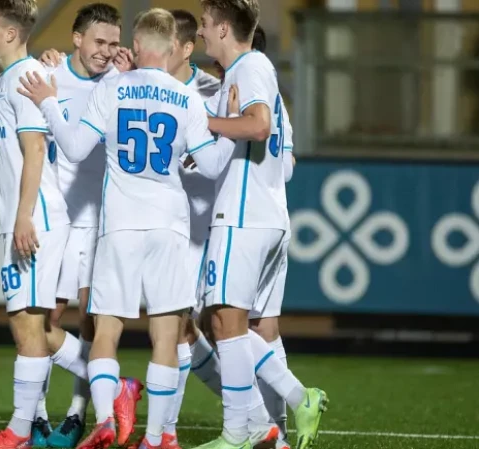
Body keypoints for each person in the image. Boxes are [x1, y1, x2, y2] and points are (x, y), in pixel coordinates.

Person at [18, 8, 237, 449]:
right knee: (166, 335)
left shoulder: (113, 88)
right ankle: (155, 439)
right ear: (173, 47)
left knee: (106, 330)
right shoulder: (187, 98)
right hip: (169, 225)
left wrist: (48, 102)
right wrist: (230, 127)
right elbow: (213, 165)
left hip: (119, 224)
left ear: (136, 46)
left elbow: (74, 149)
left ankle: (104, 419)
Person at [0, 2, 95, 448]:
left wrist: (22, 216)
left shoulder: (25, 77)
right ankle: (113, 385)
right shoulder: (5, 80)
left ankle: (18, 431)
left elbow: (35, 150)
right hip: (32, 218)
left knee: (28, 327)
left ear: (11, 33)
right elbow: (6, 148)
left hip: (37, 219)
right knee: (35, 328)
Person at [190, 2, 327, 449]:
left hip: (243, 215)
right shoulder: (256, 75)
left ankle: (242, 429)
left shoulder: (248, 68)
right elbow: (283, 161)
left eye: (205, 24)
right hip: (269, 215)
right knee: (256, 329)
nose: (201, 33)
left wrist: (208, 123)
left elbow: (258, 126)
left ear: (223, 28)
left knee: (223, 322)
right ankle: (278, 433)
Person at [32, 5, 145, 448]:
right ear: (76, 38)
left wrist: (133, 77)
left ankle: (77, 416)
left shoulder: (121, 82)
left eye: (114, 43)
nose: (107, 51)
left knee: (91, 321)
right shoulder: (51, 75)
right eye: (99, 41)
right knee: (43, 320)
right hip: (57, 218)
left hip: (101, 221)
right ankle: (46, 412)